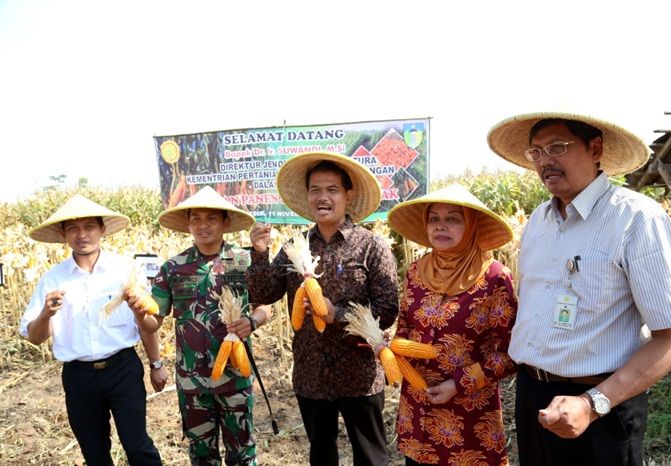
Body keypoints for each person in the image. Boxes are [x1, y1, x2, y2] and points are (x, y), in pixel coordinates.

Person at [487, 112, 671, 466]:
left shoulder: (636, 219)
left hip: (602, 404)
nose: (545, 161)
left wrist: (592, 403)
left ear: (596, 148)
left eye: (557, 147)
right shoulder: (538, 221)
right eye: (536, 152)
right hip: (533, 397)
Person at [246, 151, 399, 466]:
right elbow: (263, 292)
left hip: (359, 375)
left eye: (332, 189)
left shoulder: (371, 246)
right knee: (321, 457)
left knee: (372, 458)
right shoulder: (294, 246)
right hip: (311, 373)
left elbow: (387, 310)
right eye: (315, 189)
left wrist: (336, 314)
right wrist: (259, 253)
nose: (322, 197)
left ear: (348, 195)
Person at [130, 185, 271, 466]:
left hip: (235, 377)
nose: (202, 226)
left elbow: (265, 306)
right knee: (202, 455)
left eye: (211, 219)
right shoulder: (174, 268)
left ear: (225, 223)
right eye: (196, 219)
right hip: (192, 381)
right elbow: (152, 323)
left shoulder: (242, 260)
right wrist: (137, 310)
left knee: (242, 454)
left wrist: (252, 322)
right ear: (188, 224)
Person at [19, 194, 164, 466]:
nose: (81, 234)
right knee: (94, 452)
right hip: (78, 376)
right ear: (64, 234)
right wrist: (46, 313)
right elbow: (36, 337)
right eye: (73, 228)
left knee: (137, 446)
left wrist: (156, 363)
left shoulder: (124, 271)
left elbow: (146, 324)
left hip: (123, 369)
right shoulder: (53, 278)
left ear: (102, 230)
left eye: (89, 227)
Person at [387, 183, 517, 466]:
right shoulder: (415, 272)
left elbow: (509, 354)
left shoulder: (494, 278)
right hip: (418, 413)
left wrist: (458, 384)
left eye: (452, 219)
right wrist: (391, 350)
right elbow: (406, 328)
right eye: (434, 218)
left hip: (470, 419)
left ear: (471, 225)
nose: (440, 226)